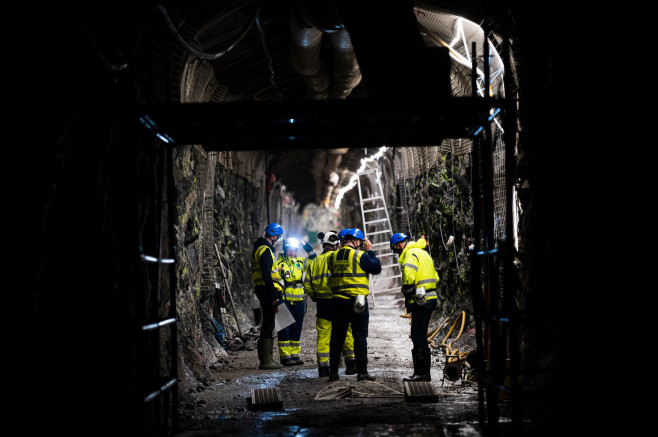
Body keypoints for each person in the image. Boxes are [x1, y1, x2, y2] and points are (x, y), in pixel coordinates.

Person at [327, 228, 381, 381]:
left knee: (337, 337)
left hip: (338, 301)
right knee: (359, 336)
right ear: (357, 241)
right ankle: (362, 373)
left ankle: (333, 373)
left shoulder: (332, 256)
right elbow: (376, 268)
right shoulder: (360, 255)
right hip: (357, 301)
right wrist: (370, 251)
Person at [304, 231, 357, 377]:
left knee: (323, 335)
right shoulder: (338, 258)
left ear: (324, 245)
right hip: (339, 301)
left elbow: (307, 285)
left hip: (322, 304)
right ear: (336, 245)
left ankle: (323, 368)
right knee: (345, 332)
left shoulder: (314, 262)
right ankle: (351, 364)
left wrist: (316, 297)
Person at [390, 232, 440, 381]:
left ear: (399, 245)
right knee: (421, 335)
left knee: (418, 336)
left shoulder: (410, 254)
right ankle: (424, 373)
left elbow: (409, 279)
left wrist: (406, 293)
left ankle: (422, 374)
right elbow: (436, 277)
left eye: (397, 250)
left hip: (422, 301)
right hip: (430, 298)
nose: (398, 254)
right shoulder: (422, 253)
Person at [251, 222, 285, 370]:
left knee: (271, 323)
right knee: (269, 324)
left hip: (263, 290)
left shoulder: (260, 248)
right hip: (267, 291)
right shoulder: (265, 250)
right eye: (278, 237)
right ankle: (266, 361)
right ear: (275, 236)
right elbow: (267, 275)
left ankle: (269, 359)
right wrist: (274, 296)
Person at [275, 237, 308, 366]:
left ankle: (295, 353)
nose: (291, 253)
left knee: (297, 328)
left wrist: (306, 247)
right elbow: (274, 276)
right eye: (289, 250)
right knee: (284, 328)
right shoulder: (279, 264)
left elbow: (314, 260)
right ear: (285, 250)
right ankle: (285, 356)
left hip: (300, 301)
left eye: (293, 250)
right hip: (284, 300)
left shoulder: (301, 262)